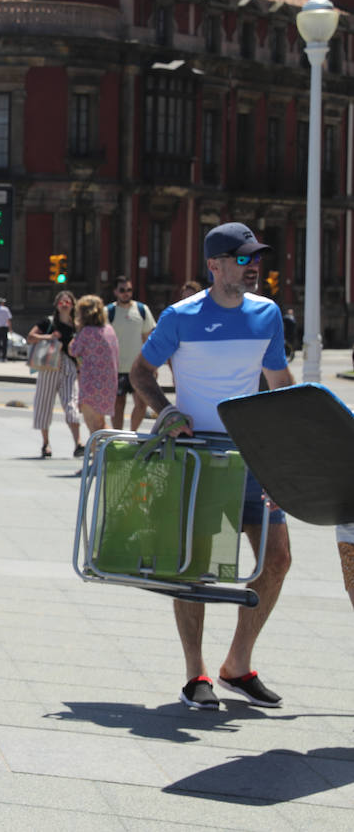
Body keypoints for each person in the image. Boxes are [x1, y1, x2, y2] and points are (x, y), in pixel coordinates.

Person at [130, 221, 294, 710]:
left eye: (256, 258)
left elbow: (280, 384)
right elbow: (141, 372)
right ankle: (194, 674)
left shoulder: (267, 315)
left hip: (253, 456)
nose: (253, 267)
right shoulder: (181, 317)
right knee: (198, 569)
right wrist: (167, 410)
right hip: (199, 461)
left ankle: (237, 665)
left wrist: (292, 452)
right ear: (215, 265)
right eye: (243, 259)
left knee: (278, 560)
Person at [28, 291, 83, 459]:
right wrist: (49, 336)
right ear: (57, 305)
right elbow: (30, 337)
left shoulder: (78, 325)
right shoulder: (48, 322)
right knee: (44, 403)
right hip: (49, 366)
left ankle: (78, 443)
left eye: (68, 302)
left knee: (71, 404)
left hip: (69, 367)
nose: (65, 304)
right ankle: (46, 443)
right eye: (61, 302)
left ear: (73, 305)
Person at [106, 276, 155, 431]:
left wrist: (152, 366)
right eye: (122, 290)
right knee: (118, 405)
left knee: (142, 404)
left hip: (138, 368)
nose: (126, 293)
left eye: (129, 290)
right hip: (117, 368)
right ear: (115, 292)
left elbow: (148, 338)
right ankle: (118, 436)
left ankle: (132, 435)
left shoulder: (142, 310)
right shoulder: (108, 312)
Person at [68, 295, 119, 437]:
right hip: (108, 384)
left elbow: (73, 350)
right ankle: (107, 453)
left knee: (94, 428)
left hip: (91, 385)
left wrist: (76, 334)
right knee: (101, 424)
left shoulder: (86, 332)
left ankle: (98, 457)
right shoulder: (109, 330)